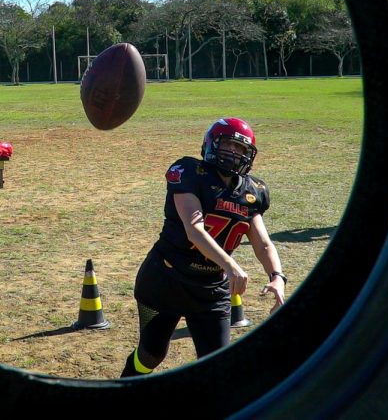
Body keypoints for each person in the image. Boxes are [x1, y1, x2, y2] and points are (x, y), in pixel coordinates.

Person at [120, 117, 286, 377]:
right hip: (166, 279)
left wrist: (277, 277)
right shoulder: (188, 172)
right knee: (151, 356)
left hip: (211, 289)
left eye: (241, 149)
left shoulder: (253, 191)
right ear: (212, 145)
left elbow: (263, 243)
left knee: (217, 365)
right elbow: (194, 230)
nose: (234, 153)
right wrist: (231, 266)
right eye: (229, 145)